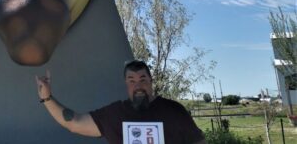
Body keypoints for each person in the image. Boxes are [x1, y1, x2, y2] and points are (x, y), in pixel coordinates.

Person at [35, 60, 206, 144]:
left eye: (143, 79)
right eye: (131, 80)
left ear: (151, 81)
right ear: (126, 84)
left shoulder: (174, 111)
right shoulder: (115, 114)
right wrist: (47, 98)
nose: (138, 86)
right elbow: (75, 123)